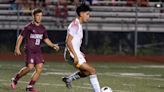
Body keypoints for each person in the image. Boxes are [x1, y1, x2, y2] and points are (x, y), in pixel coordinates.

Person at [10, 8, 59, 92]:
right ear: (33, 16)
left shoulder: (42, 28)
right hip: (29, 50)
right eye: (37, 16)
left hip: (38, 51)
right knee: (29, 67)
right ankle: (15, 79)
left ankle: (30, 86)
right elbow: (20, 37)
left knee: (39, 68)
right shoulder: (28, 27)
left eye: (41, 16)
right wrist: (17, 47)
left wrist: (52, 45)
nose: (39, 17)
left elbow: (46, 39)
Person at [63, 4, 101, 92]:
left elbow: (73, 42)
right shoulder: (75, 25)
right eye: (87, 14)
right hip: (72, 54)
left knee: (87, 72)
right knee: (92, 71)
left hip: (74, 53)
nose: (89, 16)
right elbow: (68, 41)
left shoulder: (78, 24)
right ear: (81, 14)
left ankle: (69, 79)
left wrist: (78, 52)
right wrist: (75, 55)